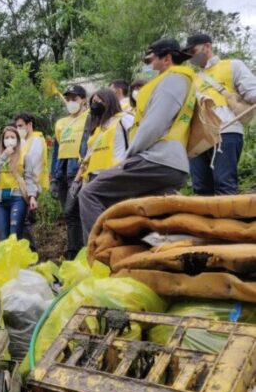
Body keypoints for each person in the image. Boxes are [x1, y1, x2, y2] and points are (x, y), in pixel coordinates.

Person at [79, 38, 195, 240]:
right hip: (170, 163)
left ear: (166, 58)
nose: (148, 66)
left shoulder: (173, 80)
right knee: (145, 214)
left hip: (155, 159)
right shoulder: (182, 81)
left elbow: (153, 125)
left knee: (89, 194)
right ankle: (162, 251)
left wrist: (128, 157)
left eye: (150, 60)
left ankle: (102, 252)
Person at [184, 33, 256, 196]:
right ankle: (205, 222)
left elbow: (252, 92)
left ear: (207, 46)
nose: (191, 56)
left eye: (193, 51)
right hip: (199, 137)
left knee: (225, 185)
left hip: (226, 131)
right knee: (201, 189)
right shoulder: (193, 79)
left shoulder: (232, 65)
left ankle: (228, 221)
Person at [51, 84, 90, 259]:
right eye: (68, 99)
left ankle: (83, 251)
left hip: (79, 171)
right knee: (69, 215)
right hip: (62, 171)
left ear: (83, 100)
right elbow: (55, 151)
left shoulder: (89, 118)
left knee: (77, 211)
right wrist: (53, 177)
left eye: (74, 98)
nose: (71, 102)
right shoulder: (61, 123)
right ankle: (73, 251)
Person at [79, 89, 133, 182]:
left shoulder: (124, 119)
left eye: (98, 101)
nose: (95, 105)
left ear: (109, 100)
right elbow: (89, 154)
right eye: (93, 102)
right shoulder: (97, 127)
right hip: (94, 175)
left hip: (115, 173)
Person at [14, 113, 48, 248]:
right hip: (21, 185)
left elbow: (30, 164)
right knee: (22, 220)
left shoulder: (37, 140)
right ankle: (26, 251)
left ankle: (31, 251)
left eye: (21, 126)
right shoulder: (22, 141)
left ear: (29, 125)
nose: (18, 129)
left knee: (23, 220)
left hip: (32, 184)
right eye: (16, 126)